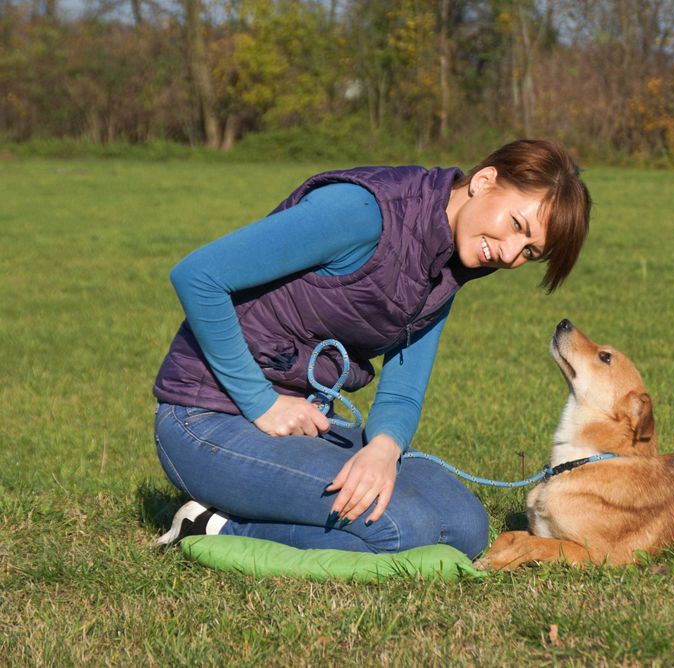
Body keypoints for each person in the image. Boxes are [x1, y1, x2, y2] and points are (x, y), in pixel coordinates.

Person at [152, 139, 591, 559]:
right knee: (403, 527)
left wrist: (382, 449)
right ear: (484, 181)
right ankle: (213, 526)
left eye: (530, 252)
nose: (511, 253)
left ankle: (277, 506)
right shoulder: (363, 212)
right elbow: (199, 276)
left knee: (464, 525)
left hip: (301, 422)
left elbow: (402, 390)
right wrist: (261, 401)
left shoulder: (449, 264)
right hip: (206, 417)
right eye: (517, 225)